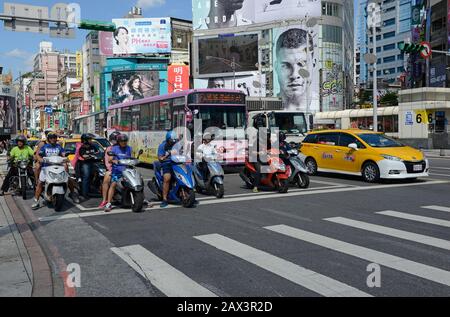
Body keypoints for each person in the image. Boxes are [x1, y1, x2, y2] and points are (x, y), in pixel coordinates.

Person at [32, 133, 79, 210]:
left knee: (68, 178)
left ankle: (73, 193)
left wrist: (66, 158)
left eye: (54, 138)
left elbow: (63, 154)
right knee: (40, 183)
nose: (53, 139)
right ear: (48, 139)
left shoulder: (59, 147)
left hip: (58, 166)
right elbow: (39, 155)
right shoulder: (44, 147)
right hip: (46, 167)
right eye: (51, 138)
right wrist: (40, 159)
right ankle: (36, 200)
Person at [275, 28, 314, 111]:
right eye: (286, 66)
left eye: (302, 64)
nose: (294, 75)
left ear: (313, 64)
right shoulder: (268, 107)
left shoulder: (322, 105)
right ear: (276, 67)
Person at [105, 134, 132, 212]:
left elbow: (130, 158)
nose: (124, 142)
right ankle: (109, 203)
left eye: (125, 141)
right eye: (122, 141)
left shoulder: (129, 148)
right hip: (117, 170)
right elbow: (110, 159)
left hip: (127, 170)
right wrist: (114, 161)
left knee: (137, 181)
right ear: (119, 142)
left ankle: (142, 199)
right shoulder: (114, 149)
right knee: (113, 184)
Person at [157, 131, 179, 208]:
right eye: (171, 141)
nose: (173, 143)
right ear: (168, 140)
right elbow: (160, 158)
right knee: (167, 178)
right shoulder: (162, 146)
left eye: (175, 141)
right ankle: (165, 199)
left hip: (176, 163)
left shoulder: (177, 145)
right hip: (166, 164)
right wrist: (167, 155)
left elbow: (182, 153)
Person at [99, 131, 121, 209]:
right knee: (106, 180)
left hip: (125, 169)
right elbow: (108, 162)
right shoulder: (109, 149)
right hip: (113, 169)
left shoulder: (125, 148)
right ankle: (105, 200)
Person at [76, 134, 100, 199]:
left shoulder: (93, 146)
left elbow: (98, 152)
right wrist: (91, 155)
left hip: (93, 163)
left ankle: (94, 190)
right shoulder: (82, 147)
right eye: (89, 139)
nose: (91, 140)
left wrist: (96, 155)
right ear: (85, 140)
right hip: (85, 164)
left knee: (96, 176)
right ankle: (85, 193)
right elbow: (84, 156)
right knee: (86, 177)